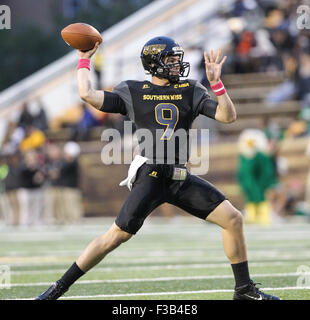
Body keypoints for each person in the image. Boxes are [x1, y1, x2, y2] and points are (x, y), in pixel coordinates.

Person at [36, 36, 280, 300]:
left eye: (178, 59)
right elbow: (87, 94)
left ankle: (244, 291)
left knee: (233, 219)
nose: (177, 64)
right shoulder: (132, 90)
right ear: (154, 64)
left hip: (179, 176)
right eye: (171, 60)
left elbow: (227, 117)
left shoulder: (190, 89)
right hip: (151, 175)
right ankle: (56, 290)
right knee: (115, 237)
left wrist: (217, 85)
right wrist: (84, 59)